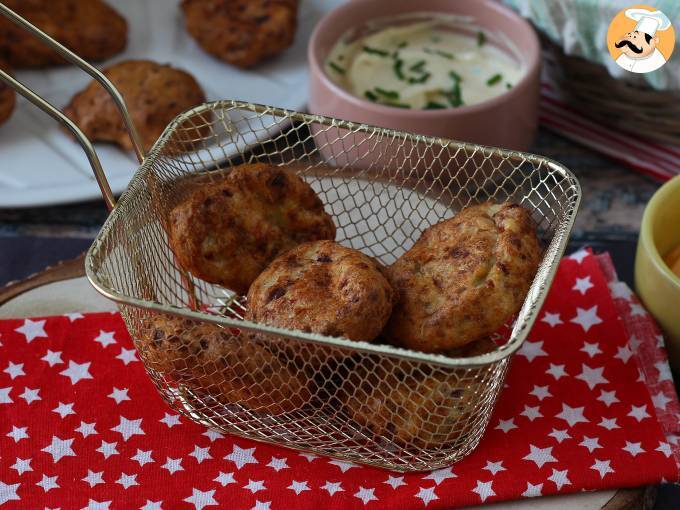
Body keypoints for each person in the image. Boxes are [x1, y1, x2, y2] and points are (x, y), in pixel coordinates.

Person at [615, 9, 672, 73]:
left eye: (635, 37)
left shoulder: (657, 62)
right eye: (629, 35)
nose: (629, 41)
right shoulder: (622, 57)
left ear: (653, 41)